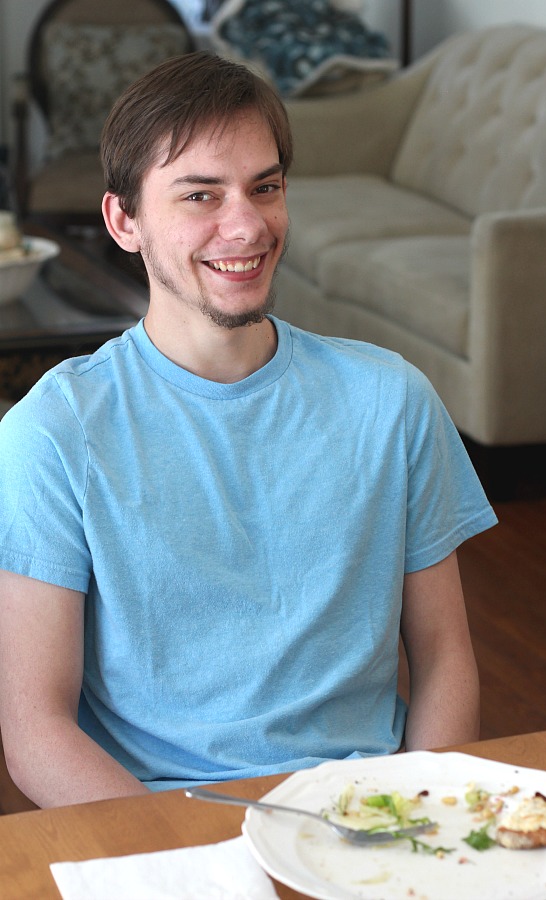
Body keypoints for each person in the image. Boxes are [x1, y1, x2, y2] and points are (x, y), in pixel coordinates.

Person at [0, 52, 497, 809]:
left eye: (265, 187)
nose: (247, 225)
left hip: (364, 812)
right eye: (201, 195)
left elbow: (445, 658)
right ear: (124, 221)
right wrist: (190, 864)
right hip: (159, 823)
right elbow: (35, 729)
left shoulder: (393, 399)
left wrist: (415, 820)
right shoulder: (53, 431)